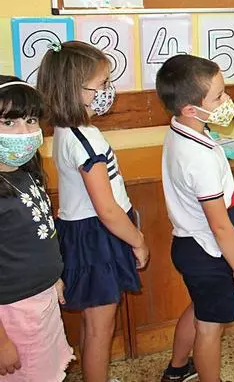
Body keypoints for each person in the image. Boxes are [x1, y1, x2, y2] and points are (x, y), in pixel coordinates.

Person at [37, 42, 149, 382]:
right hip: (98, 238)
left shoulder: (67, 132)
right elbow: (107, 210)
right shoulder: (86, 140)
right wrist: (138, 240)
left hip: (83, 233)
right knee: (102, 326)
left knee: (92, 321)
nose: (107, 91)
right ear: (75, 90)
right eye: (101, 84)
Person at [155, 55, 234, 382]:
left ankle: (177, 369)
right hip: (210, 251)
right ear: (190, 108)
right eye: (218, 96)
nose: (227, 101)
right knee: (210, 328)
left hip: (191, 245)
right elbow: (220, 224)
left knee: (200, 308)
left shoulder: (181, 129)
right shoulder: (198, 158)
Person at [0, 77, 74, 382]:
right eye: (9, 122)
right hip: (14, 314)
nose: (25, 132)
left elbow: (38, 233)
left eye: (31, 120)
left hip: (40, 301)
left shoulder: (26, 172)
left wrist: (52, 277)